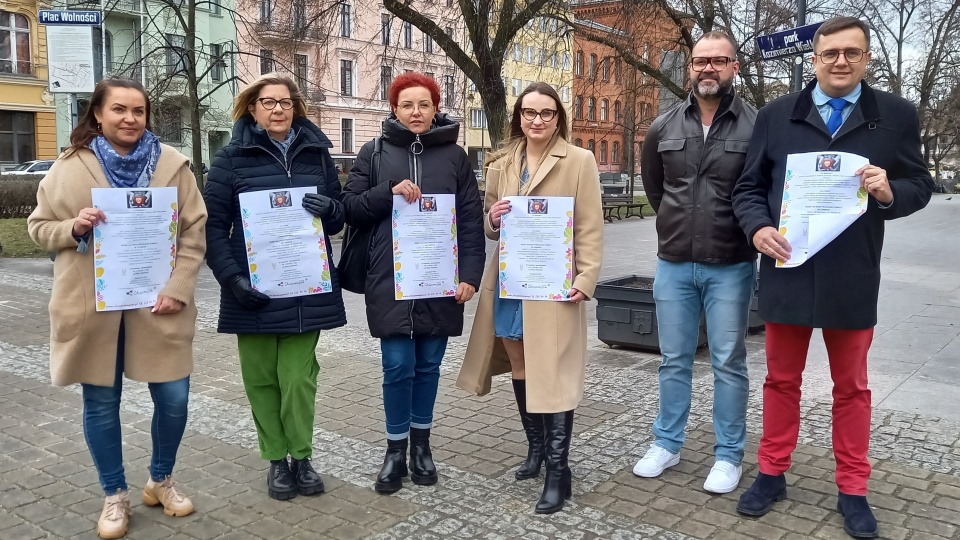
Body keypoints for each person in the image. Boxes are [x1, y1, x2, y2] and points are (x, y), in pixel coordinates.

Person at [732, 17, 934, 538]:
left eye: (852, 52)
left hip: (852, 274)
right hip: (787, 270)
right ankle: (773, 473)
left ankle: (853, 488)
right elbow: (748, 188)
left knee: (852, 388)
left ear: (867, 58)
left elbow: (919, 185)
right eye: (830, 53)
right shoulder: (778, 115)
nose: (840, 61)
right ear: (814, 58)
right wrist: (757, 230)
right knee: (780, 381)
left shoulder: (895, 115)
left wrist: (889, 192)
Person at [27, 76, 207, 539]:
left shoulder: (172, 164)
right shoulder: (70, 166)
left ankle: (160, 479)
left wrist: (179, 286)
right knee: (102, 403)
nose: (130, 119)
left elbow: (193, 234)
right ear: (98, 115)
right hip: (94, 308)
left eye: (138, 111)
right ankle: (114, 494)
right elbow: (39, 227)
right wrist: (73, 227)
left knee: (174, 398)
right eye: (119, 110)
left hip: (158, 304)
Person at [457, 82, 604, 514]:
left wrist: (588, 277)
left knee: (553, 372)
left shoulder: (579, 160)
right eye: (528, 113)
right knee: (520, 364)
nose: (536, 120)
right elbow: (489, 224)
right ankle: (536, 449)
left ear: (558, 117)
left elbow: (590, 226)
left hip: (554, 286)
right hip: (509, 281)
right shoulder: (501, 163)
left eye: (545, 113)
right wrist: (493, 217)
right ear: (518, 117)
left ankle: (560, 472)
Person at [340, 72, 485, 495]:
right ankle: (394, 451)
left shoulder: (455, 157)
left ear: (435, 108)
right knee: (397, 365)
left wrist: (470, 277)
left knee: (428, 367)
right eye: (407, 105)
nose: (416, 112)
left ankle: (421, 447)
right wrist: (387, 192)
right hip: (390, 277)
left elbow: (471, 221)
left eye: (424, 104)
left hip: (440, 280)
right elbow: (350, 207)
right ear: (394, 109)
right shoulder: (374, 151)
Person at [204, 74, 347, 501]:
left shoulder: (318, 155)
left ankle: (301, 457)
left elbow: (339, 218)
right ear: (252, 109)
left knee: (298, 380)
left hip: (305, 287)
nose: (278, 110)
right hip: (253, 291)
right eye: (268, 103)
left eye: (285, 102)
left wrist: (332, 209)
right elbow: (212, 226)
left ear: (295, 107)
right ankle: (275, 460)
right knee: (262, 380)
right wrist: (232, 280)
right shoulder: (230, 159)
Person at [632, 32, 757, 494]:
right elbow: (655, 189)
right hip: (675, 263)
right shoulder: (664, 126)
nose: (709, 69)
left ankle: (728, 456)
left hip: (731, 263)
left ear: (734, 67)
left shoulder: (754, 125)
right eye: (700, 61)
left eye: (719, 61)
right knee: (673, 359)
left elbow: (760, 189)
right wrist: (675, 225)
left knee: (728, 361)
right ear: (690, 67)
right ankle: (667, 443)